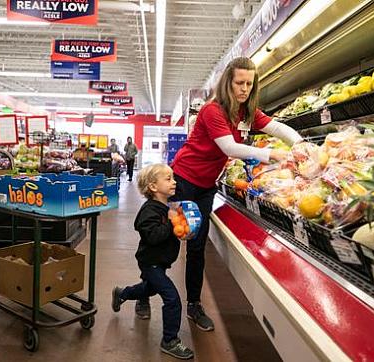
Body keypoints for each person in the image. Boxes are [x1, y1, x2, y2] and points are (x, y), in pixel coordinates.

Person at [138, 57, 303, 331]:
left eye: (249, 84)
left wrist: (300, 145)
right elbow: (230, 148)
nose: (244, 89)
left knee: (197, 245)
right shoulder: (213, 111)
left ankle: (193, 304)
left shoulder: (246, 112)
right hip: (185, 180)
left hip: (205, 187)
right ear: (228, 82)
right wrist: (272, 154)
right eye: (240, 83)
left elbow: (276, 127)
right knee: (168, 242)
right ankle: (144, 293)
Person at [111, 164, 194, 360]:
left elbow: (170, 232)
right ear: (153, 187)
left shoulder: (166, 207)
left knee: (149, 289)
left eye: (173, 178)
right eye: (168, 179)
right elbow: (154, 237)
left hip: (161, 262)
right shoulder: (149, 211)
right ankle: (170, 341)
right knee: (172, 298)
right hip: (151, 263)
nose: (174, 182)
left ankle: (122, 293)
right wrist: (173, 223)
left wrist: (182, 230)